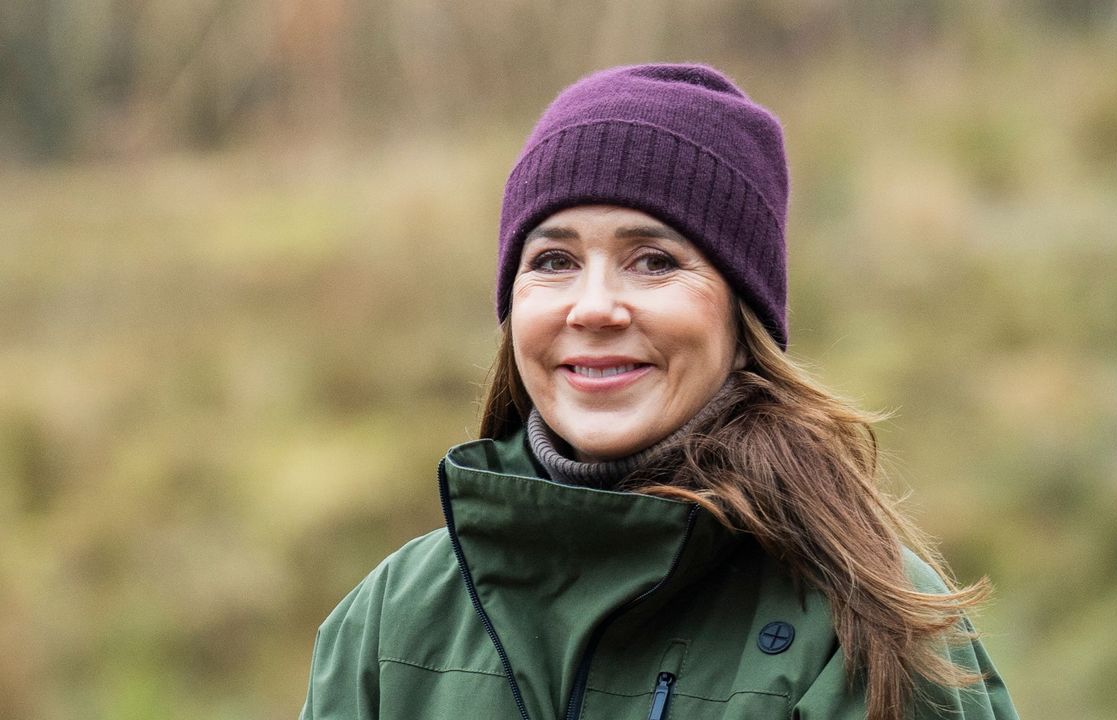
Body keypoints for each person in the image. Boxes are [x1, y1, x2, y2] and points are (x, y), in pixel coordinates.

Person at [300, 64, 1018, 720]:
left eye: (653, 260)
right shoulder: (391, 620)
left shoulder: (865, 621)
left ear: (742, 319)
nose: (594, 306)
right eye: (553, 260)